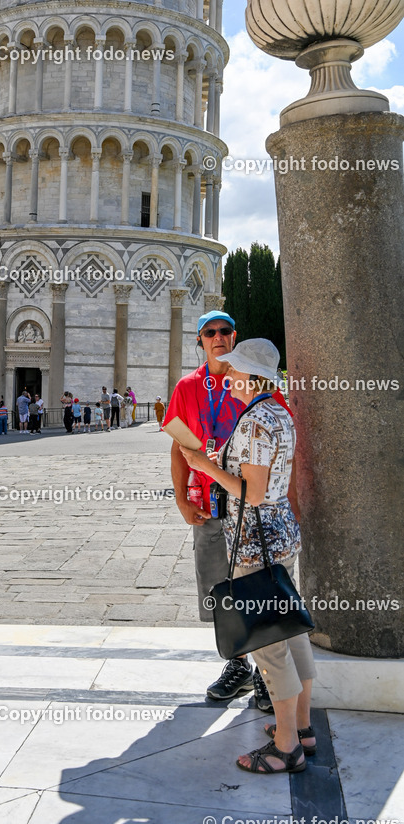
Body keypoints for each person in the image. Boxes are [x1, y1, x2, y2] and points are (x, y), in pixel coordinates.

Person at [179, 339, 314, 775]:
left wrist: (204, 465)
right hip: (281, 536)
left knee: (270, 645)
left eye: (234, 370)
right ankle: (304, 727)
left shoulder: (255, 421)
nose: (228, 376)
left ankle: (286, 746)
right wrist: (224, 463)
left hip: (256, 543)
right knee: (292, 632)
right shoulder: (278, 413)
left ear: (251, 377)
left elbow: (251, 494)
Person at [165, 310, 285, 710]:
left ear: (234, 337)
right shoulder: (188, 387)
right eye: (209, 332)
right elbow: (178, 447)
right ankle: (238, 665)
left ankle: (269, 674)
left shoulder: (255, 382)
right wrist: (182, 499)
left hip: (250, 508)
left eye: (225, 331)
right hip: (209, 505)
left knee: (259, 587)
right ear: (199, 340)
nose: (218, 337)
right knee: (220, 587)